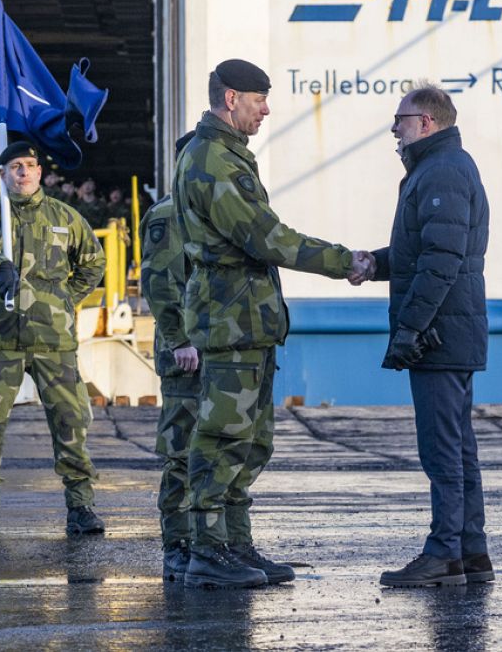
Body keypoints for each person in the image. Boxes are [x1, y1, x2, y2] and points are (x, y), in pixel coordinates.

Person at [172, 59, 370, 589]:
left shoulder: (226, 153)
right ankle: (208, 551)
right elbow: (267, 238)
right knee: (221, 437)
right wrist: (343, 261)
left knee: (252, 439)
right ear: (231, 97)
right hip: (230, 317)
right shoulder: (212, 158)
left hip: (247, 318)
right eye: (260, 98)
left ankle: (235, 544)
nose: (267, 108)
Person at [360, 84, 492, 588]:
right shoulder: (439, 170)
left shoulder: (442, 172)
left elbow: (441, 262)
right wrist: (374, 264)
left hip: (440, 336)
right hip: (450, 332)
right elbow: (423, 252)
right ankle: (470, 554)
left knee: (442, 451)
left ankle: (443, 555)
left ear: (426, 122)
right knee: (457, 449)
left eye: (400, 119)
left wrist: (411, 329)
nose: (394, 128)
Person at [0, 141, 106, 536]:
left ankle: (81, 505)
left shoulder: (64, 217)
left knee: (70, 421)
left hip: (53, 340)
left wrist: (63, 300)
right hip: (1, 338)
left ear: (40, 172)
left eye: (29, 166)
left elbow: (94, 262)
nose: (23, 173)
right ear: (3, 174)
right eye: (15, 167)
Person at [140, 131, 199, 582]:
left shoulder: (211, 210)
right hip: (185, 354)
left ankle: (213, 541)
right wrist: (179, 340)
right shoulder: (168, 214)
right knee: (181, 450)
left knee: (218, 449)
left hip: (215, 348)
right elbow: (160, 285)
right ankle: (177, 543)